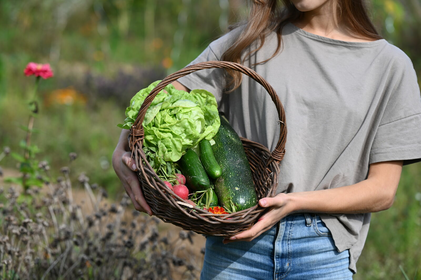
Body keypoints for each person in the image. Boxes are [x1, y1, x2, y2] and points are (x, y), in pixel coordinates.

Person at [113, 0, 421, 279]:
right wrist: (121, 149)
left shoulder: (390, 66)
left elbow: (382, 190)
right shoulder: (246, 44)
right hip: (237, 247)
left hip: (321, 251)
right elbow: (161, 100)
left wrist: (294, 203)